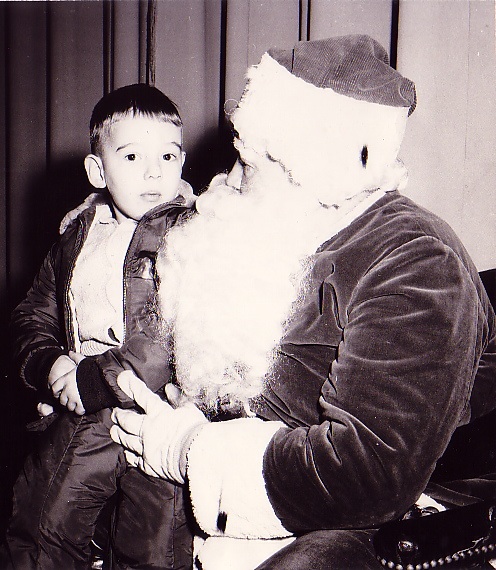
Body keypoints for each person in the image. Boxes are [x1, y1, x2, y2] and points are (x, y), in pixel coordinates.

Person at [110, 35, 496, 570]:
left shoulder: (417, 260)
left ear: (311, 165)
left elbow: (368, 472)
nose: (225, 180)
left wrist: (188, 450)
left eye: (249, 162)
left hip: (401, 526)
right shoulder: (291, 234)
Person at [3, 83, 196, 569]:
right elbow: (33, 313)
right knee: (44, 523)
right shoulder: (77, 235)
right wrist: (50, 364)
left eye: (168, 156)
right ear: (98, 169)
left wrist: (88, 380)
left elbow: (165, 340)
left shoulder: (194, 235)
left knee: (154, 543)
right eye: (132, 157)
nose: (154, 171)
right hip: (81, 410)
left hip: (160, 413)